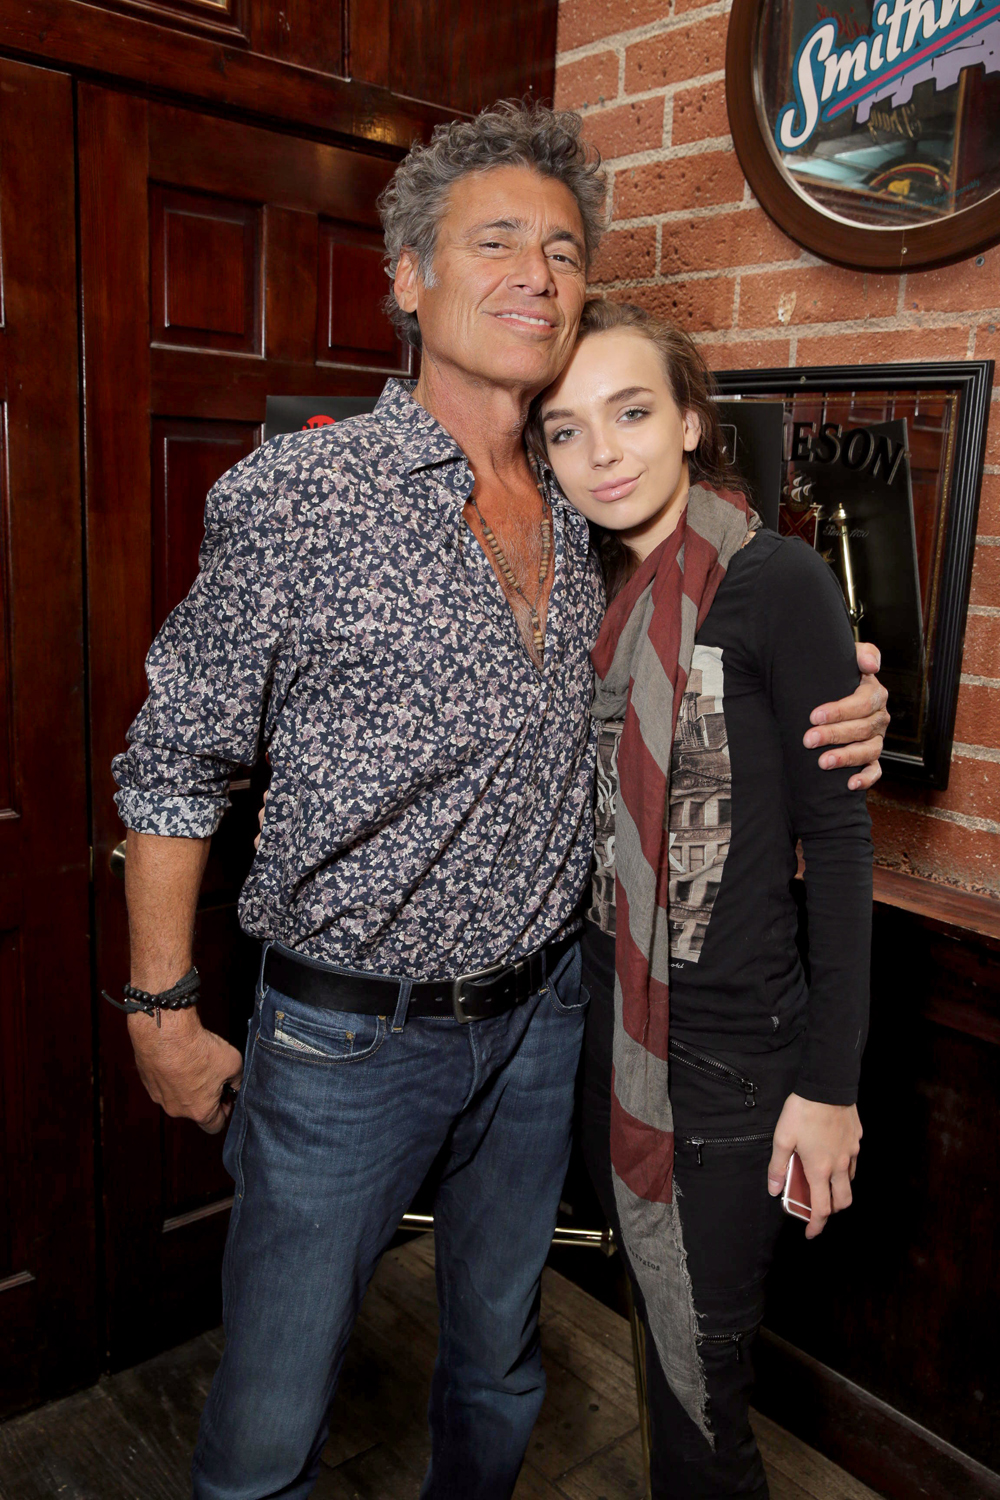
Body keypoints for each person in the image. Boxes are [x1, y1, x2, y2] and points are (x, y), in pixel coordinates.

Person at [109, 103, 887, 1500]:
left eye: (566, 249)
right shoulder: (303, 493)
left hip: (544, 1028)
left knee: (500, 1366)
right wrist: (161, 1010)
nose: (539, 270)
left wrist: (842, 694)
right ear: (407, 276)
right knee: (270, 1425)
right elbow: (177, 759)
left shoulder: (596, 507)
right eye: (497, 241)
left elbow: (727, 629)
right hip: (345, 1040)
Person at [531, 297, 874, 1499]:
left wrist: (830, 1090)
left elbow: (837, 844)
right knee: (653, 1344)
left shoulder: (774, 580)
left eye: (631, 412)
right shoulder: (572, 592)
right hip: (600, 1034)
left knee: (698, 1391)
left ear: (689, 420)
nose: (604, 452)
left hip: (732, 1061)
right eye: (566, 430)